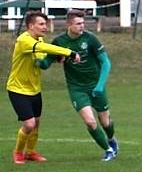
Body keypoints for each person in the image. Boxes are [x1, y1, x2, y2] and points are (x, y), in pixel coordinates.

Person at [41, 10, 118, 161]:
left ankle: (111, 139)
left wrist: (100, 86)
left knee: (105, 122)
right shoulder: (59, 41)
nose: (82, 26)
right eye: (78, 24)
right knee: (90, 121)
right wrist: (36, 58)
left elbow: (106, 63)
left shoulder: (91, 39)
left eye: (83, 23)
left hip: (96, 86)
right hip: (77, 88)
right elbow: (46, 63)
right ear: (69, 24)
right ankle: (108, 150)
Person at [6, 11, 79, 164]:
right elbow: (44, 48)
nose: (45, 27)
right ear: (30, 26)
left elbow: (39, 59)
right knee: (29, 124)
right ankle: (18, 152)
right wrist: (70, 53)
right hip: (17, 89)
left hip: (34, 89)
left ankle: (31, 152)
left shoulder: (37, 39)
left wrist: (56, 59)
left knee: (37, 122)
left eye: (45, 24)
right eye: (41, 24)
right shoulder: (24, 40)